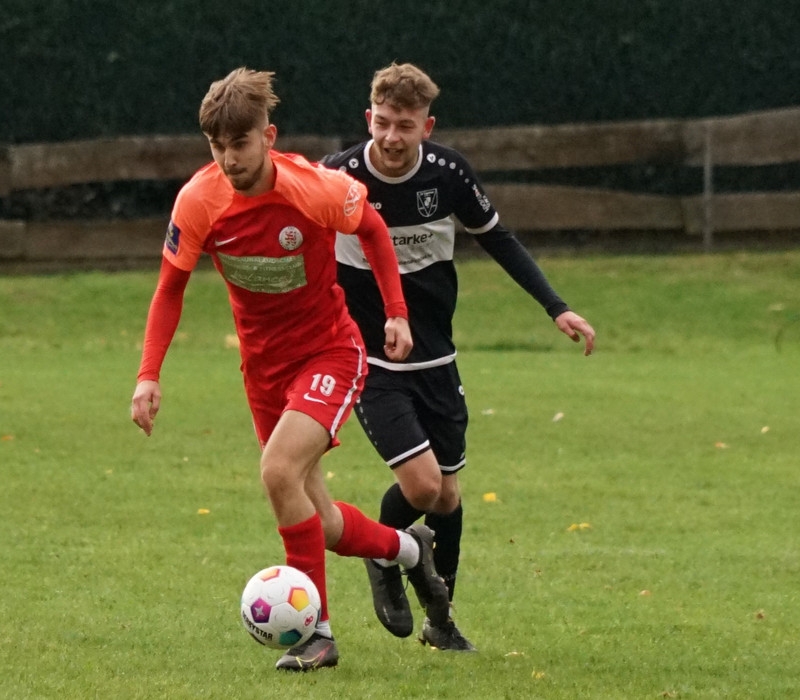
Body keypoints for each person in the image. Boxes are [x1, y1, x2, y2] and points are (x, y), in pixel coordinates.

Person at [130, 67, 453, 672]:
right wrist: (149, 374)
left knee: (278, 471)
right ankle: (409, 549)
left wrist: (396, 312)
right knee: (320, 519)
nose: (229, 158)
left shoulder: (315, 187)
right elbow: (170, 288)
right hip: (263, 372)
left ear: (268, 136)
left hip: (330, 352)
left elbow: (373, 229)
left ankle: (317, 635)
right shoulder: (199, 201)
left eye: (240, 143)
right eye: (217, 146)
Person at [322, 62, 597, 652]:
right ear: (368, 118)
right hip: (370, 362)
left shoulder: (448, 174)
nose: (392, 137)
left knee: (447, 497)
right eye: (383, 122)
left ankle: (441, 622)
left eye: (406, 125)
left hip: (437, 361)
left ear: (427, 126)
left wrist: (556, 307)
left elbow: (498, 238)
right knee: (422, 487)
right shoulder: (337, 177)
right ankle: (383, 553)